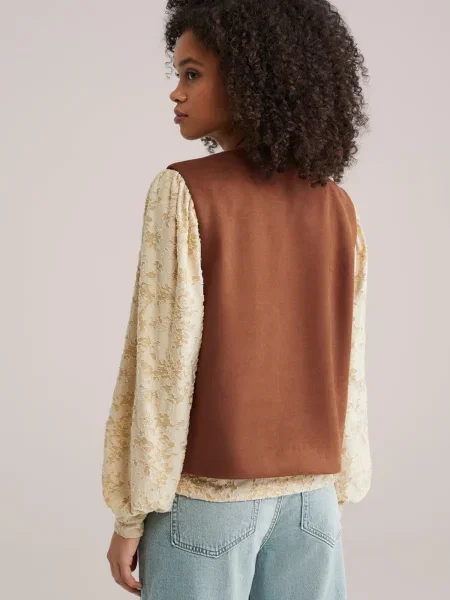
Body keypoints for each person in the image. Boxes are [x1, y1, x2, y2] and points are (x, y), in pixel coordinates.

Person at [102, 1, 372, 598]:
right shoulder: (338, 207)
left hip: (208, 502)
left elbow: (162, 368)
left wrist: (131, 512)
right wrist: (340, 484)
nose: (176, 92)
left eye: (192, 74)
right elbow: (349, 368)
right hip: (313, 504)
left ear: (249, 78)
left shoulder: (183, 192)